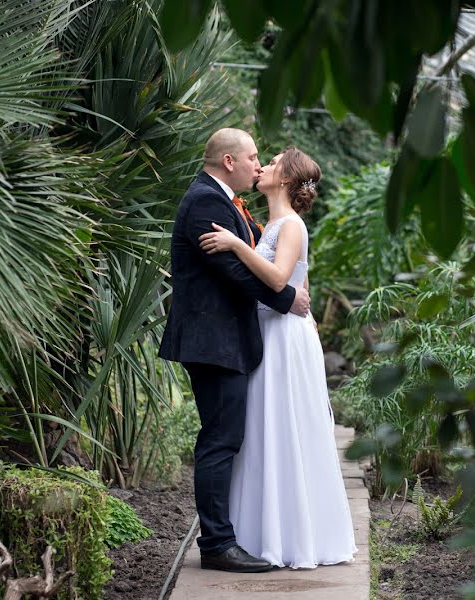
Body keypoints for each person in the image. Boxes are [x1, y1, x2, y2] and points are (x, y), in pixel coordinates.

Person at [158, 128, 312, 573]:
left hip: (225, 341)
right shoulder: (207, 201)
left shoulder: (226, 203)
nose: (258, 164)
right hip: (213, 341)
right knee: (220, 440)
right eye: (253, 157)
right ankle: (217, 545)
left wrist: (289, 293)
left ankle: (226, 536)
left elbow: (260, 262)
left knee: (225, 439)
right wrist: (288, 301)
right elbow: (233, 272)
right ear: (230, 162)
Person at [199, 147, 357, 569]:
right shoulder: (268, 223)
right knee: (263, 431)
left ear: (285, 179)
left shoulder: (290, 224)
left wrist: (234, 244)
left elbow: (277, 278)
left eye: (271, 162)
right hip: (267, 332)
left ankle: (293, 536)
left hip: (284, 336)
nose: (263, 165)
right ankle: (259, 532)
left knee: (285, 429)